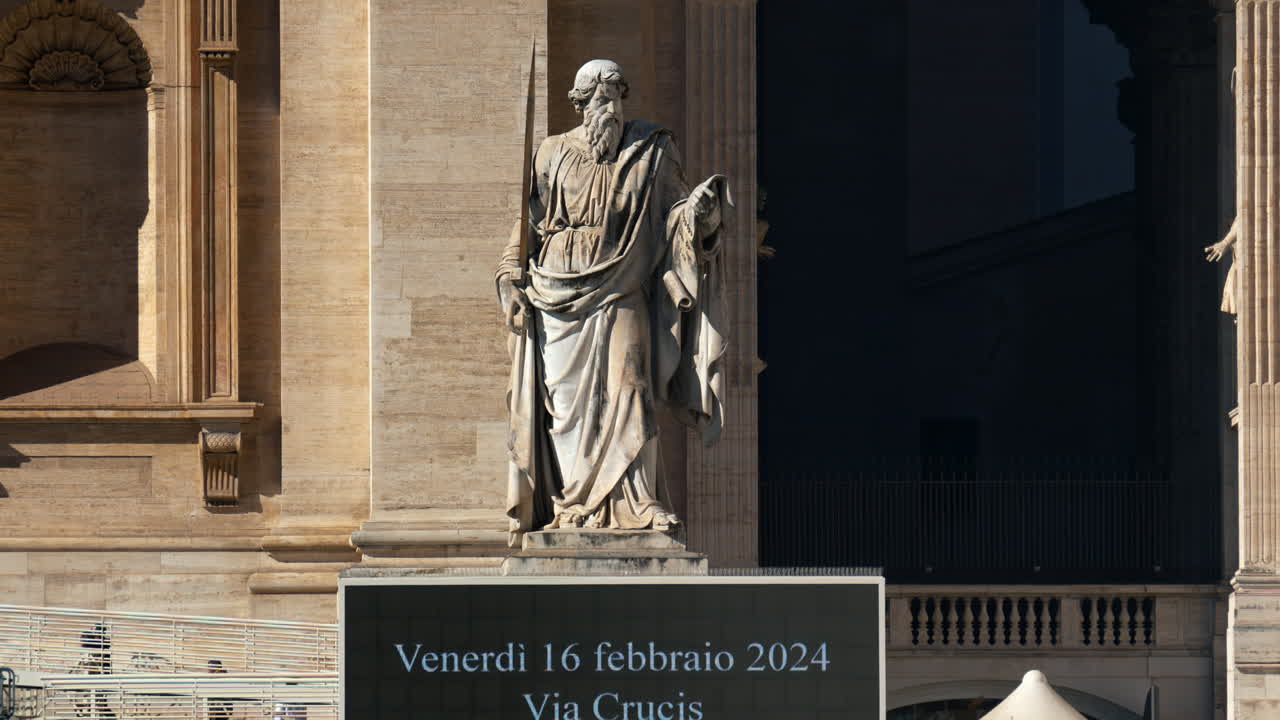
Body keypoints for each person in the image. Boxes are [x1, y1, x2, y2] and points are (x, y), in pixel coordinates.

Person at [497, 59, 729, 544]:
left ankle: (636, 503)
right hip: (556, 289)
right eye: (598, 97)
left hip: (624, 286)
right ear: (580, 103)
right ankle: (571, 504)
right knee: (564, 407)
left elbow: (676, 213)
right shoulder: (551, 152)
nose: (609, 106)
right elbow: (528, 226)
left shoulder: (653, 149)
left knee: (631, 384)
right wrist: (508, 279)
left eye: (616, 95)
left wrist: (700, 213)